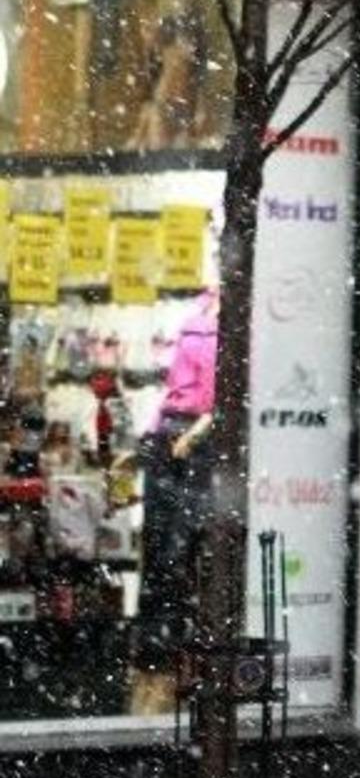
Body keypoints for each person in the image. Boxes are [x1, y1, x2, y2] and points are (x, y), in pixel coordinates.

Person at [129, 285, 218, 716]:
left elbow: (236, 389)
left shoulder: (245, 315)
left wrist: (204, 427)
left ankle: (182, 675)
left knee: (190, 554)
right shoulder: (196, 309)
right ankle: (154, 673)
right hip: (170, 436)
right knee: (162, 556)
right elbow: (172, 389)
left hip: (202, 443)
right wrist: (149, 436)